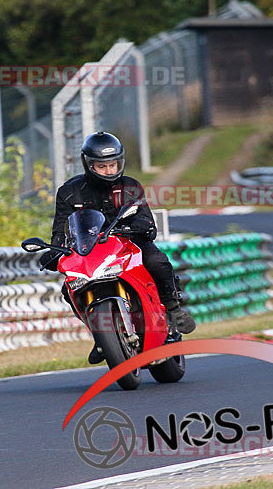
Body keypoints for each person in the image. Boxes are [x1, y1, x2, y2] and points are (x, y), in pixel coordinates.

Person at [40, 131, 196, 365]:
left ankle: (174, 309)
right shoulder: (69, 192)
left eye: (113, 165)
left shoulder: (130, 186)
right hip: (90, 249)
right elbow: (60, 230)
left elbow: (147, 221)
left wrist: (141, 225)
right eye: (102, 167)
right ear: (88, 164)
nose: (109, 171)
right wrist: (54, 250)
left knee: (156, 261)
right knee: (68, 288)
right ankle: (102, 336)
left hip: (130, 241)